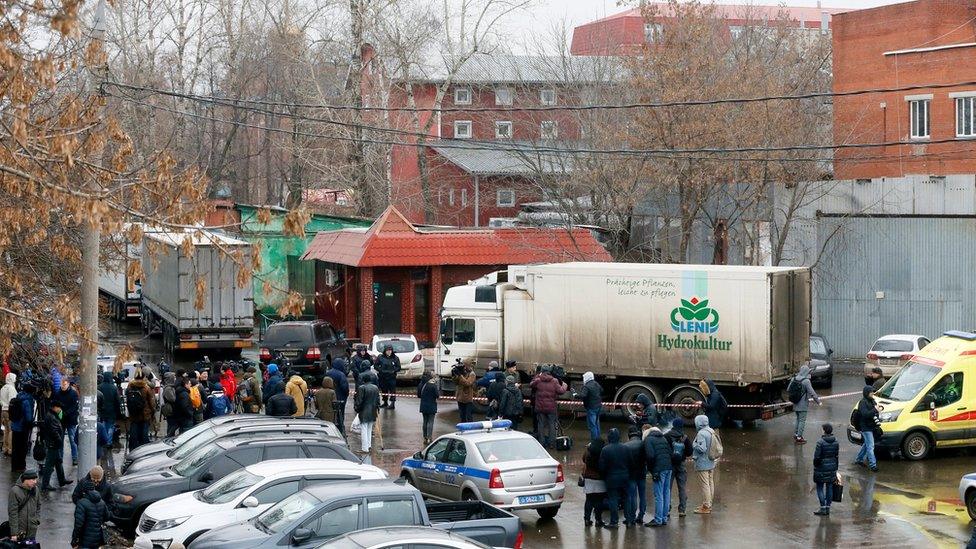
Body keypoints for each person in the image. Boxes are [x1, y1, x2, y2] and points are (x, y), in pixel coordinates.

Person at [598, 428, 633, 528]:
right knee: (626, 498)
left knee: (613, 499)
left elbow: (602, 467)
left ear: (609, 437)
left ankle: (614, 522)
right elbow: (631, 463)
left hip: (611, 478)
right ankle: (629, 520)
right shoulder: (626, 448)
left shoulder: (605, 450)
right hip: (625, 477)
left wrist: (605, 476)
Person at [529, 365, 568, 449]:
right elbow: (561, 391)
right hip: (551, 407)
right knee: (552, 425)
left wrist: (537, 376)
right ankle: (551, 444)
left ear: (542, 371)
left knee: (541, 425)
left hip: (540, 407)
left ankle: (542, 443)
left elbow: (531, 384)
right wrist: (565, 385)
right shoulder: (554, 381)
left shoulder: (538, 380)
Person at [643, 423, 673, 527]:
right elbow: (670, 452)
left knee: (658, 495)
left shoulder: (648, 440)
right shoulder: (663, 438)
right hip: (669, 467)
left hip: (659, 469)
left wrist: (651, 470)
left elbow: (650, 456)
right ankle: (664, 518)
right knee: (666, 493)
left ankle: (658, 519)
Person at [39, 399, 71, 491]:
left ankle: (62, 480)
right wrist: (59, 440)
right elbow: (54, 431)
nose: (60, 409)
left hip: (54, 444)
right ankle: (45, 484)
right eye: (59, 407)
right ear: (55, 407)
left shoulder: (51, 415)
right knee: (49, 465)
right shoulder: (52, 417)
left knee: (58, 462)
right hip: (54, 444)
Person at [665, 418, 693, 518]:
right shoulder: (685, 437)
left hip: (669, 465)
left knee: (668, 488)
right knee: (682, 488)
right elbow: (690, 452)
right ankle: (682, 510)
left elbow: (664, 450)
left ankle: (667, 509)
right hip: (681, 464)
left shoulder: (667, 435)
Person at [813, 423, 840, 516]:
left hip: (821, 468)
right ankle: (828, 507)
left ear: (824, 430)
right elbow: (836, 455)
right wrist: (836, 467)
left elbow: (817, 457)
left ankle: (823, 508)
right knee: (829, 487)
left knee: (820, 487)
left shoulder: (820, 442)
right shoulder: (836, 441)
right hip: (832, 467)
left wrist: (816, 466)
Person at [692, 414, 717, 514]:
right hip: (711, 460)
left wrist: (694, 444)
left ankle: (706, 506)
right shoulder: (711, 431)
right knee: (710, 482)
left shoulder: (701, 433)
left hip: (703, 462)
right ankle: (709, 503)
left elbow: (702, 448)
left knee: (705, 484)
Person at [791, 365, 822, 444]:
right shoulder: (806, 381)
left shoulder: (794, 378)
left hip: (795, 403)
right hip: (803, 404)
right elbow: (812, 393)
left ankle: (796, 434)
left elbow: (788, 389)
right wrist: (818, 401)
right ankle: (799, 437)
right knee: (802, 421)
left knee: (798, 419)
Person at [126, 367, 155, 450]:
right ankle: (143, 449)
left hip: (134, 414)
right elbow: (151, 402)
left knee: (134, 432)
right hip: (144, 414)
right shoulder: (146, 388)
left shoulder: (130, 386)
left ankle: (133, 448)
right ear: (143, 377)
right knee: (144, 433)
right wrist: (152, 412)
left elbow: (128, 399)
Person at [853, 385, 881, 472]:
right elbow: (865, 414)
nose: (873, 393)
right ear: (866, 393)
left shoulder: (872, 401)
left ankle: (859, 459)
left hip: (871, 426)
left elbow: (874, 412)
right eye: (871, 392)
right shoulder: (862, 403)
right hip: (865, 427)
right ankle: (873, 465)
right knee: (870, 446)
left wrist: (878, 410)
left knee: (866, 444)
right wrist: (875, 410)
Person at [8, 469, 39, 542]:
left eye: (36, 479)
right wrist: (14, 533)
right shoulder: (15, 491)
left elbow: (38, 505)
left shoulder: (36, 489)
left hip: (32, 530)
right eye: (33, 479)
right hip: (20, 531)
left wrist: (37, 520)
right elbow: (13, 513)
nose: (35, 482)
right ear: (25, 479)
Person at [624, 426, 647, 525]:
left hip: (631, 474)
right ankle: (641, 515)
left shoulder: (626, 446)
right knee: (642, 495)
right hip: (642, 472)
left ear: (629, 435)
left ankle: (632, 517)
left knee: (632, 495)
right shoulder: (643, 444)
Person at [582, 437, 607, 527]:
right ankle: (598, 520)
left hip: (589, 479)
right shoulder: (603, 453)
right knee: (599, 502)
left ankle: (587, 519)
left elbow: (583, 459)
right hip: (600, 480)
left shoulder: (588, 452)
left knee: (589, 500)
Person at [10, 384, 35, 472]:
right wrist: (31, 423)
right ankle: (21, 466)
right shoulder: (27, 400)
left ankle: (14, 466)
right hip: (23, 427)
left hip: (15, 426)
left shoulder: (19, 396)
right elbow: (28, 416)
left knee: (15, 447)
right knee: (22, 447)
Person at [354, 372, 381, 452]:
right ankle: (369, 446)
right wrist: (377, 408)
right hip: (373, 411)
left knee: (364, 429)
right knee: (369, 429)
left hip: (364, 411)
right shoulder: (375, 387)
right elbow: (378, 400)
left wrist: (356, 408)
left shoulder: (362, 388)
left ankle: (364, 448)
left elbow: (359, 401)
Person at [96, 370, 121, 454]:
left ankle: (103, 441)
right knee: (110, 427)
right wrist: (119, 412)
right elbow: (117, 401)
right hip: (111, 411)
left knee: (103, 426)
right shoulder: (114, 388)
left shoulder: (99, 387)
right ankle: (108, 442)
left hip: (102, 411)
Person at [57, 377, 80, 465]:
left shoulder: (73, 393)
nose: (63, 386)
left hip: (70, 419)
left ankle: (75, 457)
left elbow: (74, 406)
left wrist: (65, 413)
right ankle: (60, 457)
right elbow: (56, 404)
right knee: (60, 439)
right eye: (62, 384)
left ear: (68, 384)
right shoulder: (58, 393)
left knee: (72, 439)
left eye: (64, 384)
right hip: (61, 419)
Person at [326, 358, 350, 435]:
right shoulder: (341, 375)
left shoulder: (328, 373)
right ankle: (340, 432)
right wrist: (346, 395)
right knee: (340, 415)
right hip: (340, 398)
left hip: (329, 397)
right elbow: (345, 388)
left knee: (330, 414)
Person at [578, 371, 603, 440]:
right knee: (597, 424)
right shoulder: (596, 384)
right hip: (598, 406)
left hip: (591, 407)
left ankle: (594, 442)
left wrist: (576, 395)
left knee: (592, 425)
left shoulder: (586, 386)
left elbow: (583, 395)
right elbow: (601, 390)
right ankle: (598, 440)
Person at [418, 369, 440, 446]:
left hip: (423, 405)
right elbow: (437, 395)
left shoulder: (421, 384)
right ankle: (429, 438)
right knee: (430, 422)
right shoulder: (433, 385)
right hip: (431, 405)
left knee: (425, 422)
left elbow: (418, 395)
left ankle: (424, 437)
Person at [375, 345, 401, 410]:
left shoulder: (395, 358)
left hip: (392, 377)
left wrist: (394, 370)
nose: (389, 352)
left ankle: (392, 403)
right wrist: (381, 370)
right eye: (387, 350)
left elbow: (399, 367)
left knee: (392, 390)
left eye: (390, 350)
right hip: (383, 377)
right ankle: (385, 402)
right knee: (384, 390)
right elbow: (376, 365)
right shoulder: (380, 357)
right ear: (385, 351)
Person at [1, 372, 16, 455]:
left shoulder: (3, 388)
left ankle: (5, 448)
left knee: (6, 430)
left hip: (3, 410)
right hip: (9, 411)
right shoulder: (11, 389)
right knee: (11, 430)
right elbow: (12, 401)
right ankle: (10, 449)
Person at [160, 372, 178, 436]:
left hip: (172, 409)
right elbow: (172, 399)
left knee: (172, 425)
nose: (175, 379)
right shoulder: (168, 388)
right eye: (174, 377)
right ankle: (168, 438)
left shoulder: (171, 387)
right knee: (172, 425)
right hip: (170, 410)